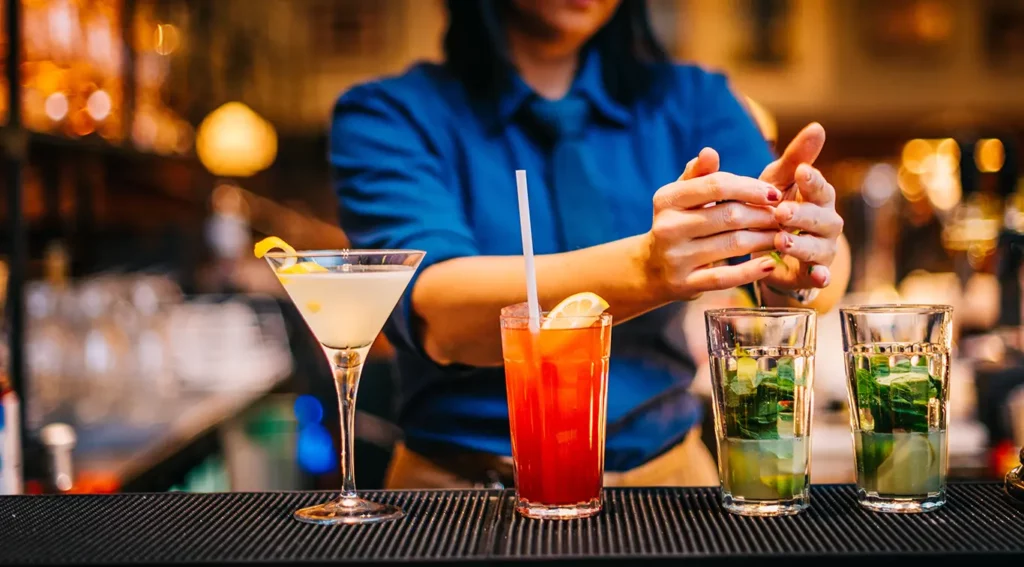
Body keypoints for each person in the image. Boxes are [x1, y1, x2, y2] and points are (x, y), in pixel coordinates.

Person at [330, 0, 851, 489]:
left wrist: (805, 252)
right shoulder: (389, 114)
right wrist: (646, 269)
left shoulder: (693, 99)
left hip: (670, 486)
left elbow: (819, 272)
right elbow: (439, 315)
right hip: (463, 496)